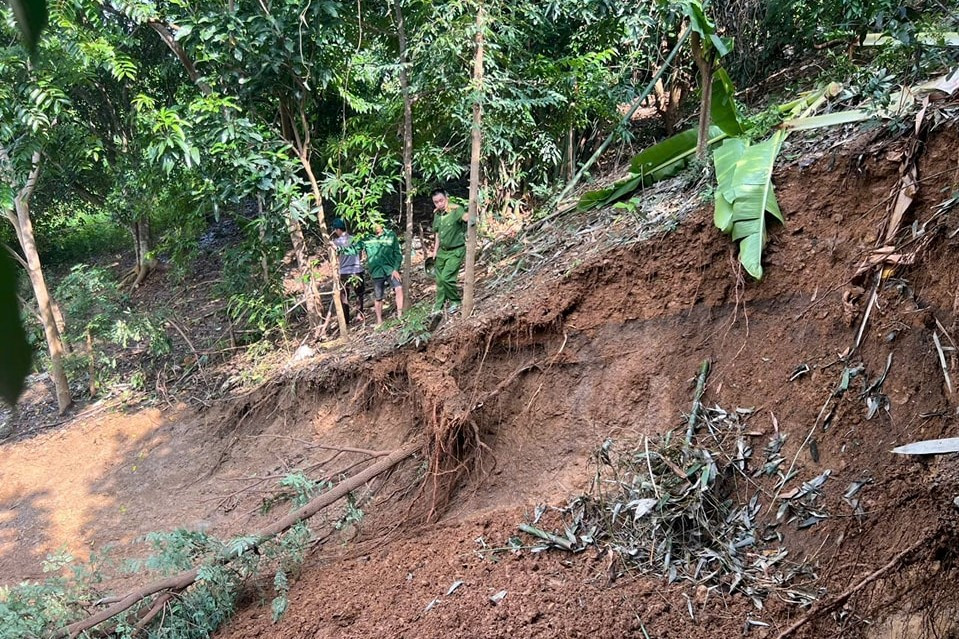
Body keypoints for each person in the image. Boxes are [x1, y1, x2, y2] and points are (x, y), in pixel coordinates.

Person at [429, 188, 468, 315]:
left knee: (447, 278)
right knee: (439, 280)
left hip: (456, 250)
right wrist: (435, 251)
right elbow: (438, 234)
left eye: (441, 200)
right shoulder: (437, 214)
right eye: (436, 202)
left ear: (447, 198)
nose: (439, 204)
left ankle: (455, 301)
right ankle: (439, 305)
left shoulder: (456, 210)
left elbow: (465, 217)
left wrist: (470, 216)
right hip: (442, 251)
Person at [361, 222, 404, 325]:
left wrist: (396, 268)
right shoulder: (366, 238)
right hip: (376, 272)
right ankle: (379, 320)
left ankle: (400, 315)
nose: (375, 227)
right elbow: (354, 248)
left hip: (390, 269)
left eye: (377, 224)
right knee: (378, 296)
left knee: (398, 288)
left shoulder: (390, 235)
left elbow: (397, 253)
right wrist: (339, 249)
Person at [331, 218, 365, 324]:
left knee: (344, 296)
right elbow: (360, 253)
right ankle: (359, 314)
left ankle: (346, 320)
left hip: (344, 271)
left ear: (337, 230)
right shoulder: (355, 239)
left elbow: (334, 257)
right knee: (359, 293)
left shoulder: (335, 243)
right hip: (357, 269)